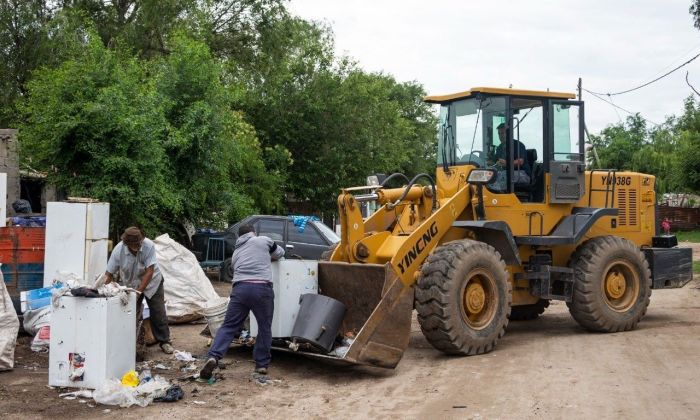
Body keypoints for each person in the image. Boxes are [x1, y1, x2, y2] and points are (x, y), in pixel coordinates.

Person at [200, 224, 285, 380]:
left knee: (229, 326)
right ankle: (261, 365)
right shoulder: (263, 240)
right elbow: (279, 253)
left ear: (240, 236)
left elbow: (236, 267)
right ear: (254, 233)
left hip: (239, 290)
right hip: (261, 288)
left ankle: (213, 356)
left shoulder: (236, 252)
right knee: (264, 326)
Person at [104, 226, 173, 355]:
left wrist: (139, 292)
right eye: (135, 244)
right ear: (127, 244)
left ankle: (165, 341)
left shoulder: (148, 245)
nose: (139, 245)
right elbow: (109, 273)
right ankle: (130, 342)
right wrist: (104, 290)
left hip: (153, 282)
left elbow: (149, 271)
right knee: (130, 313)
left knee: (158, 311)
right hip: (131, 284)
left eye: (140, 242)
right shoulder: (118, 251)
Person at [491, 123, 530, 191]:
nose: (500, 136)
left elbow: (520, 161)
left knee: (503, 175)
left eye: (502, 133)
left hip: (522, 173)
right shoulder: (499, 148)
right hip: (505, 173)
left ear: (509, 134)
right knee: (491, 174)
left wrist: (507, 163)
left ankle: (498, 194)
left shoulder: (518, 145)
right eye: (499, 134)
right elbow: (495, 161)